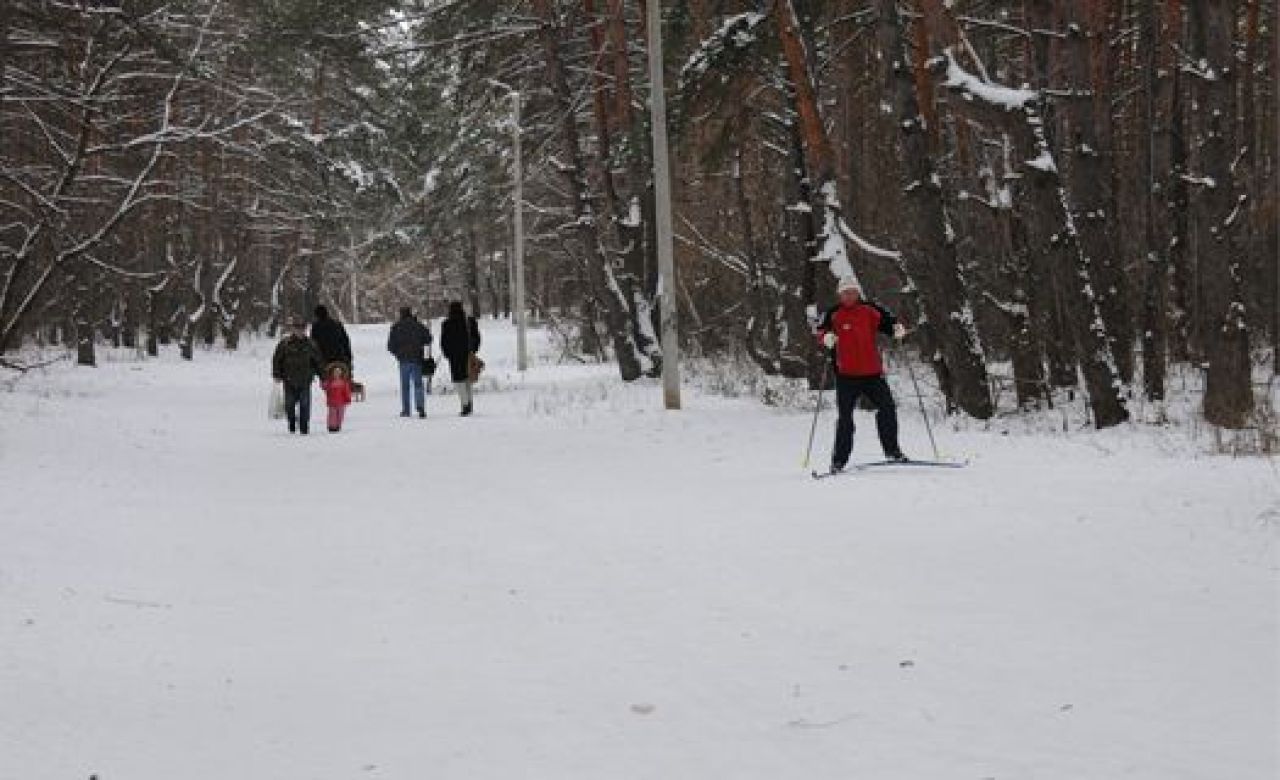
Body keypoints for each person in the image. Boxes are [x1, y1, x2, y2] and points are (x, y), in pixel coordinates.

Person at [816, 278, 908, 471]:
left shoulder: (870, 309)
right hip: (846, 375)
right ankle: (839, 461)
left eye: (852, 292)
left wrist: (896, 329)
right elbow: (820, 331)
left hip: (872, 373)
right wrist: (826, 338)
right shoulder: (833, 313)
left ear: (858, 293)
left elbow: (889, 323)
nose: (849, 296)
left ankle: (892, 451)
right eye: (845, 292)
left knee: (887, 409)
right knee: (845, 419)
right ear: (840, 295)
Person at [271, 316, 324, 435]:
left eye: (302, 328)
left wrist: (323, 377)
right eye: (297, 327)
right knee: (289, 404)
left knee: (305, 404)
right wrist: (276, 374)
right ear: (292, 329)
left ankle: (304, 426)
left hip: (305, 379)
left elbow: (318, 362)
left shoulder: (311, 344)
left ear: (305, 329)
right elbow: (277, 359)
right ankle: (291, 421)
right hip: (289, 379)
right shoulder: (285, 343)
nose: (300, 330)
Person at [387, 306, 432, 418]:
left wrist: (398, 354)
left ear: (401, 314)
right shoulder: (418, 325)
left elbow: (390, 346)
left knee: (405, 386)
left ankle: (406, 410)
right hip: (417, 359)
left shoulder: (396, 327)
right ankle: (420, 407)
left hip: (403, 360)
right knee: (418, 384)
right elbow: (428, 339)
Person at [440, 301, 481, 416]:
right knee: (468, 379)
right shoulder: (470, 322)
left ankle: (465, 404)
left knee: (459, 381)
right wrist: (474, 350)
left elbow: (444, 342)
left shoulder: (447, 324)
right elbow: (477, 337)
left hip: (454, 357)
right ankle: (469, 403)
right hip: (468, 355)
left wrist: (447, 354)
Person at [310, 305, 353, 374]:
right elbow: (345, 342)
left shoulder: (316, 327)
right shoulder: (337, 324)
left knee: (328, 379)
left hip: (325, 360)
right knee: (342, 378)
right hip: (340, 358)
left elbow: (314, 344)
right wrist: (349, 358)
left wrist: (315, 363)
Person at [321, 362, 353, 433]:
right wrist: (324, 384)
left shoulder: (344, 382)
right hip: (332, 402)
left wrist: (348, 398)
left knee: (340, 415)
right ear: (332, 373)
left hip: (341, 402)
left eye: (338, 372)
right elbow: (325, 387)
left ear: (341, 373)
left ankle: (338, 425)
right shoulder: (330, 382)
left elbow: (347, 391)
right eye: (335, 372)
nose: (337, 374)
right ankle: (332, 426)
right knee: (332, 415)